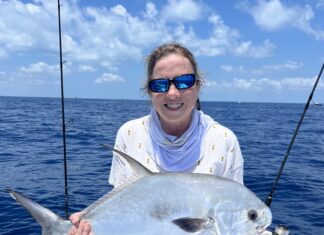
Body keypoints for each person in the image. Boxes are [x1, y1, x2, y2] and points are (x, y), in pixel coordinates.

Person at [68, 42, 244, 235]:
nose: (173, 93)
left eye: (184, 81)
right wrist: (88, 225)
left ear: (198, 85)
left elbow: (233, 213)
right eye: (160, 84)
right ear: (149, 91)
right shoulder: (129, 134)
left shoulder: (224, 140)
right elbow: (122, 204)